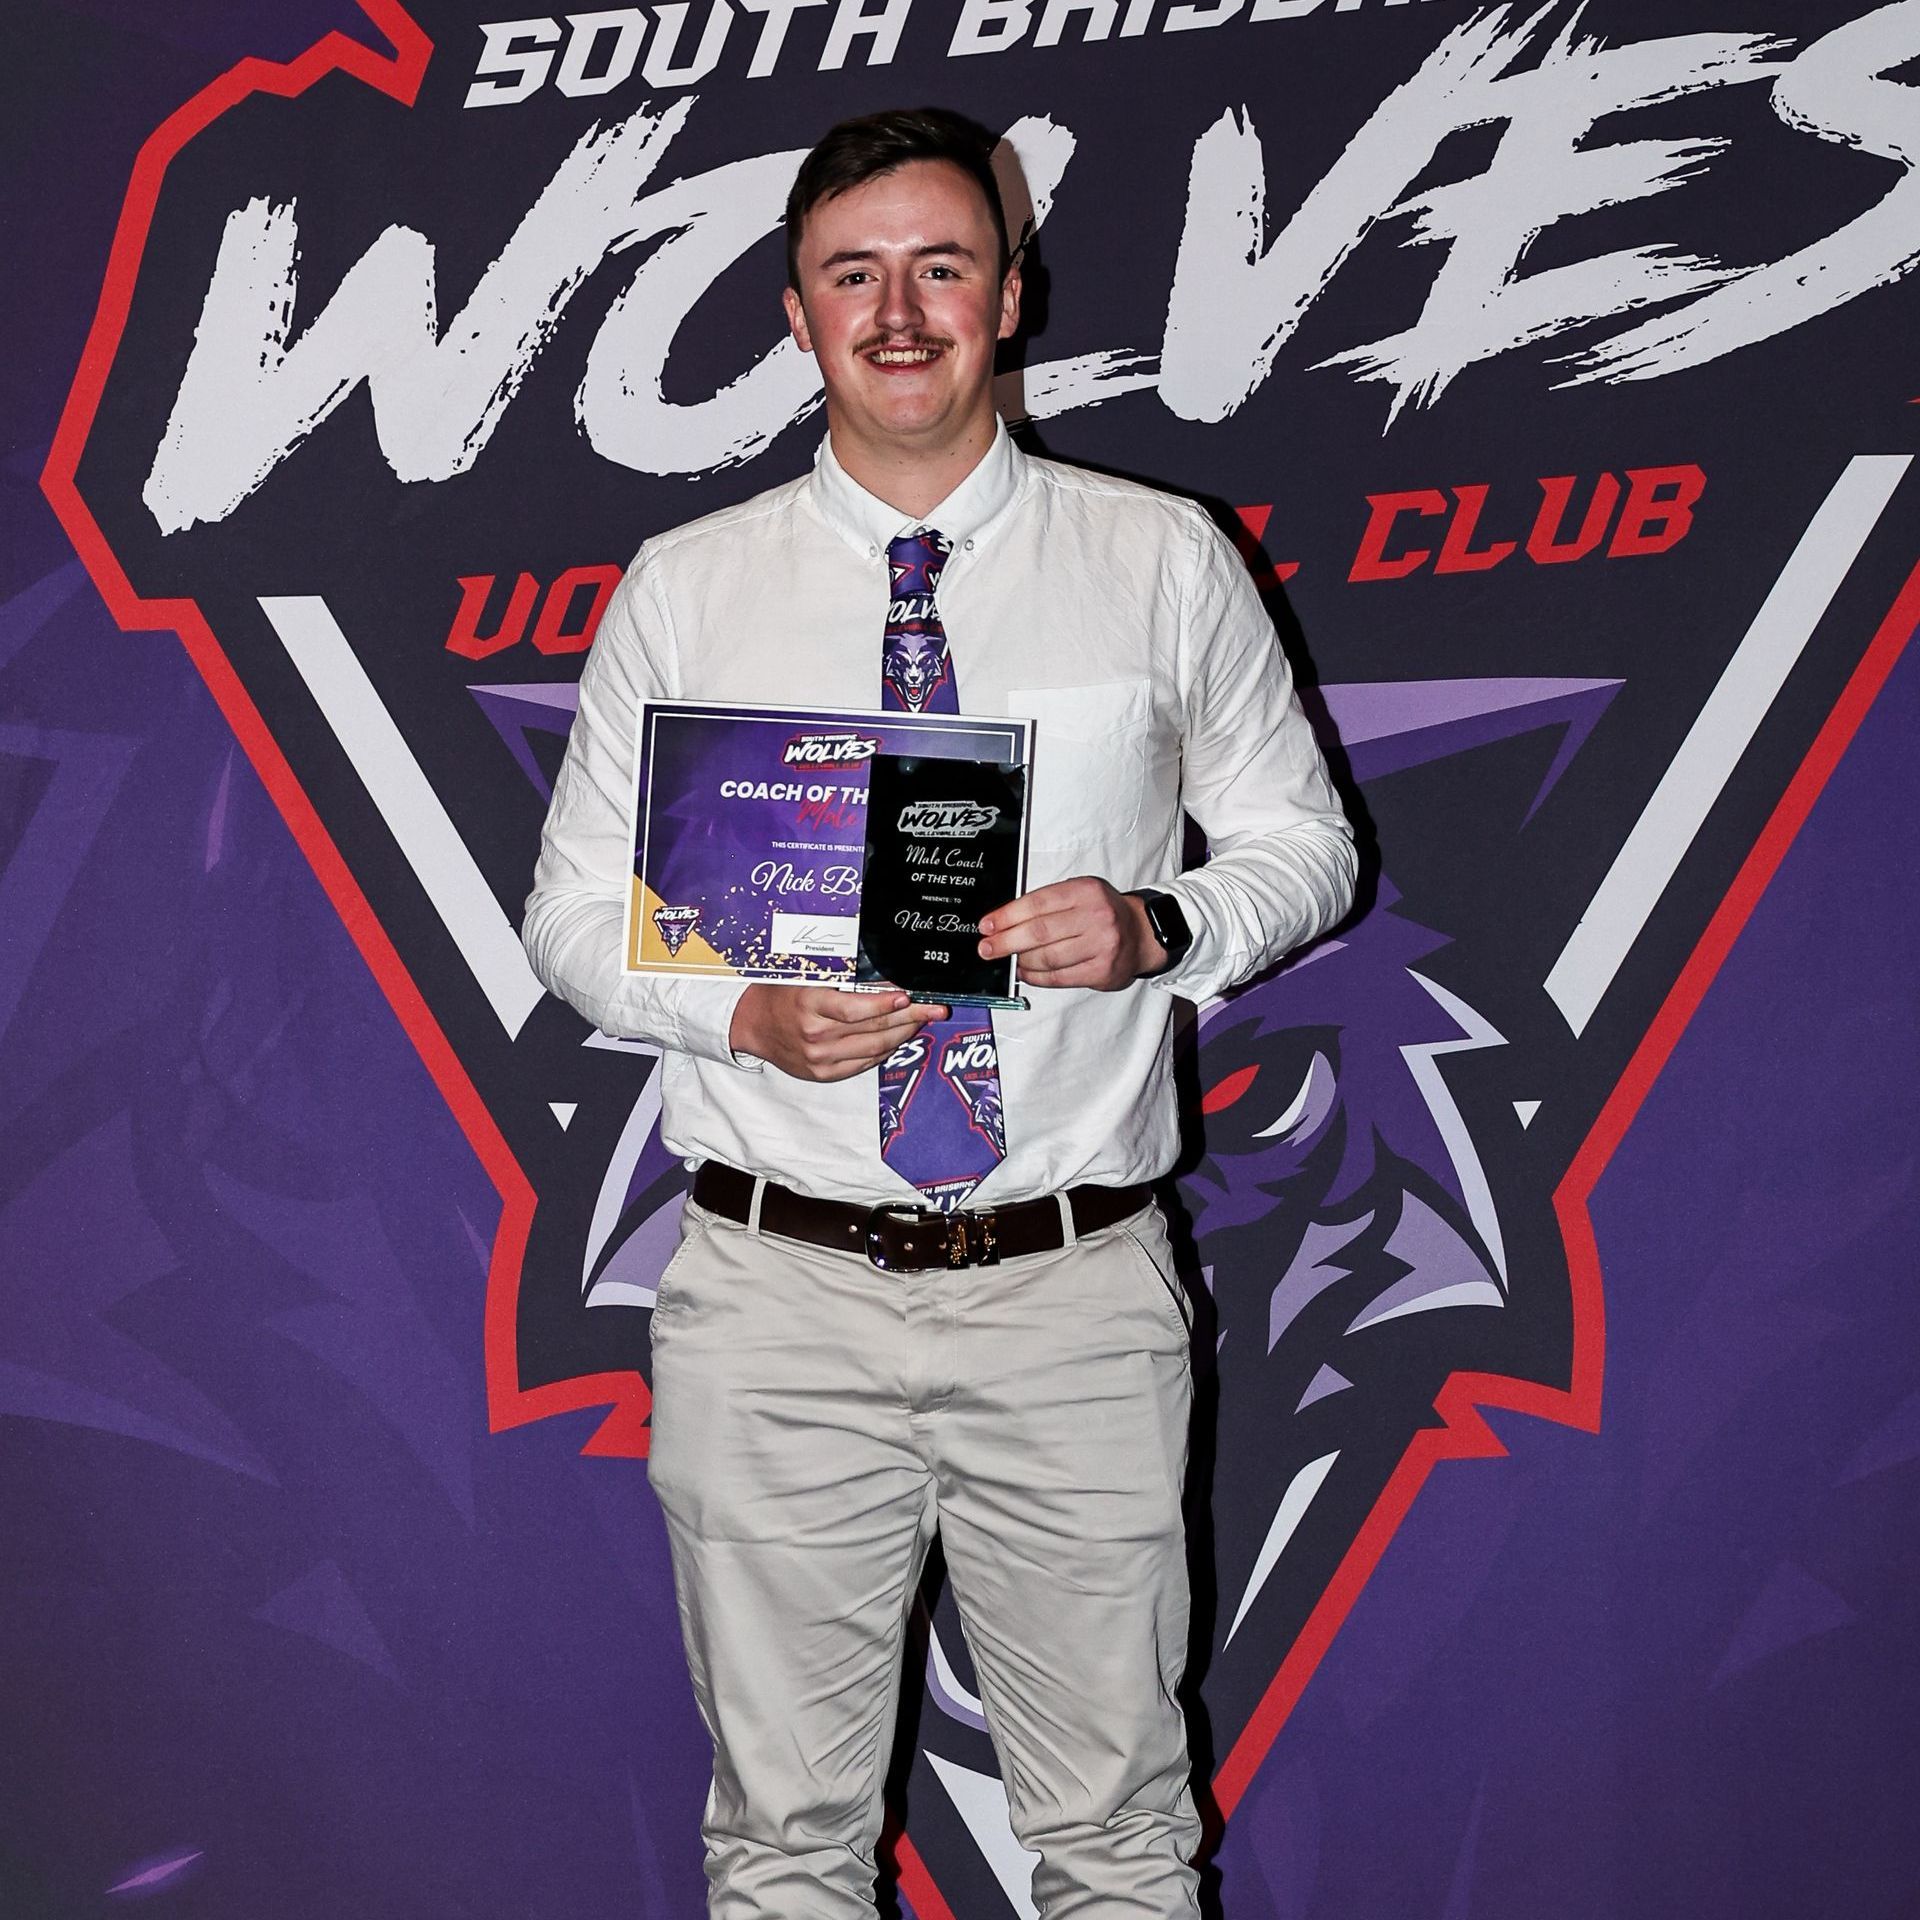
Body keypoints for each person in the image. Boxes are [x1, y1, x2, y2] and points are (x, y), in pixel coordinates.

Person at [523, 106, 1356, 1920]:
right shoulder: (689, 587)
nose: (901, 313)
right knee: (786, 1847)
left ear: (1012, 291)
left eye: (943, 266)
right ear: (798, 313)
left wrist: (1163, 921)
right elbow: (573, 920)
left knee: (1122, 1839)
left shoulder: (1157, 556)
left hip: (1071, 1284)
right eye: (855, 275)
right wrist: (743, 1018)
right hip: (774, 1296)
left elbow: (1307, 850)